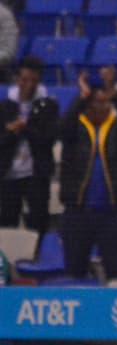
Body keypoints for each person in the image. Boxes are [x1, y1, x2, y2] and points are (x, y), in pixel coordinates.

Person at [59, 70, 117, 281]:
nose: (98, 108)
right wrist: (80, 97)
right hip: (77, 213)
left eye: (103, 104)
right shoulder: (75, 128)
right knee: (73, 271)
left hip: (112, 213)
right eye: (93, 104)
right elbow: (62, 129)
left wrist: (116, 95)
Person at [0, 59, 57, 233]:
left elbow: (48, 138)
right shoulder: (5, 106)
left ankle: (37, 258)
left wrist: (25, 127)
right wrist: (12, 132)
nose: (29, 85)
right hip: (9, 172)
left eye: (34, 80)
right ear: (17, 79)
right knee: (7, 223)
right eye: (25, 80)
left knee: (38, 221)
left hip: (36, 172)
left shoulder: (48, 105)